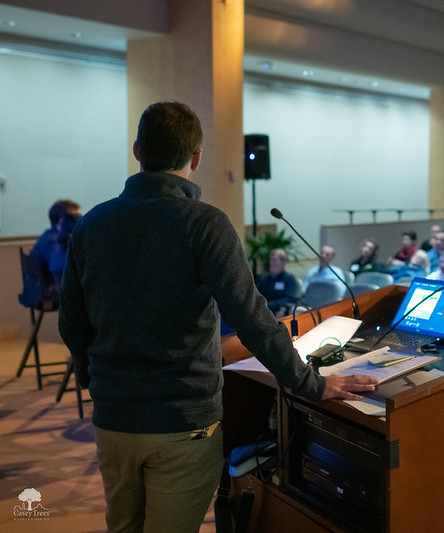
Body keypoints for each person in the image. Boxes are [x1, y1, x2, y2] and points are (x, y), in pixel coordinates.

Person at [57, 102, 378, 533]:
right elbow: (252, 318)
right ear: (196, 157)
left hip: (114, 421)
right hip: (181, 423)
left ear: (137, 150)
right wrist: (311, 384)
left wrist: (95, 380)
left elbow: (71, 323)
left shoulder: (92, 224)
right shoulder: (204, 224)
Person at [30, 199, 81, 265]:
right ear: (62, 220)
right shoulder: (54, 243)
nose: (78, 221)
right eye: (75, 218)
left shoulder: (47, 236)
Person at [255, 248, 298, 318]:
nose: (271, 263)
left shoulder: (289, 279)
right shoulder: (263, 279)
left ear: (283, 262)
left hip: (281, 311)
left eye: (274, 260)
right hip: (263, 311)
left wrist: (279, 307)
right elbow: (257, 295)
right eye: (271, 260)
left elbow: (289, 299)